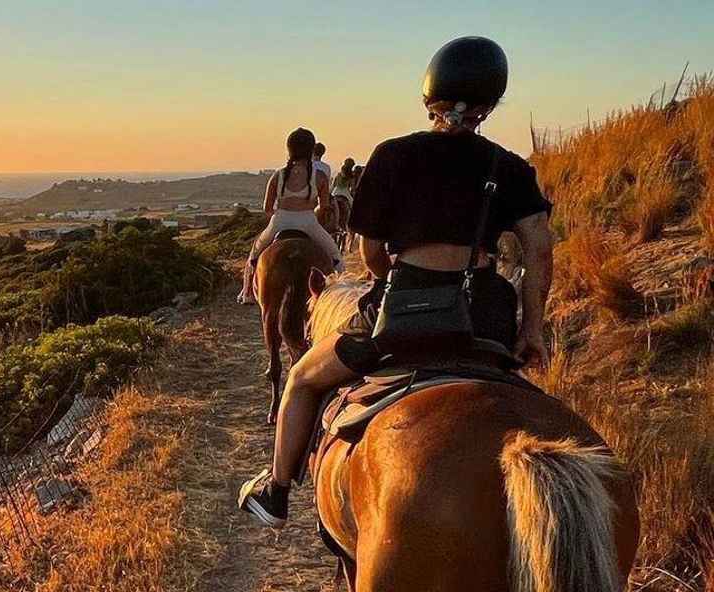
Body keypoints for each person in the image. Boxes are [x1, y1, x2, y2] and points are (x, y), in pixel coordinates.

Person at [237, 36, 554, 528]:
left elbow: (368, 253)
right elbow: (539, 250)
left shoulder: (392, 156)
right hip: (485, 318)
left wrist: (399, 282)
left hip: (403, 311)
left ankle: (276, 492)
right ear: (490, 105)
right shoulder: (509, 167)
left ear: (430, 96)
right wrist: (531, 329)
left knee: (300, 379)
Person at [238, 128, 344, 303]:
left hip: (280, 221)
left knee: (254, 255)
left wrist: (281, 216)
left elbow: (267, 208)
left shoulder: (277, 175)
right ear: (311, 149)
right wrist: (312, 216)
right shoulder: (319, 177)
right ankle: (338, 296)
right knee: (336, 258)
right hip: (308, 222)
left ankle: (247, 293)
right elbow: (324, 206)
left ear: (289, 149)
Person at [331, 157, 358, 238]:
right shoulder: (352, 177)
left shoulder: (338, 174)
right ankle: (351, 227)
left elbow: (333, 185)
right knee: (354, 209)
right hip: (345, 193)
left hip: (336, 192)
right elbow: (353, 189)